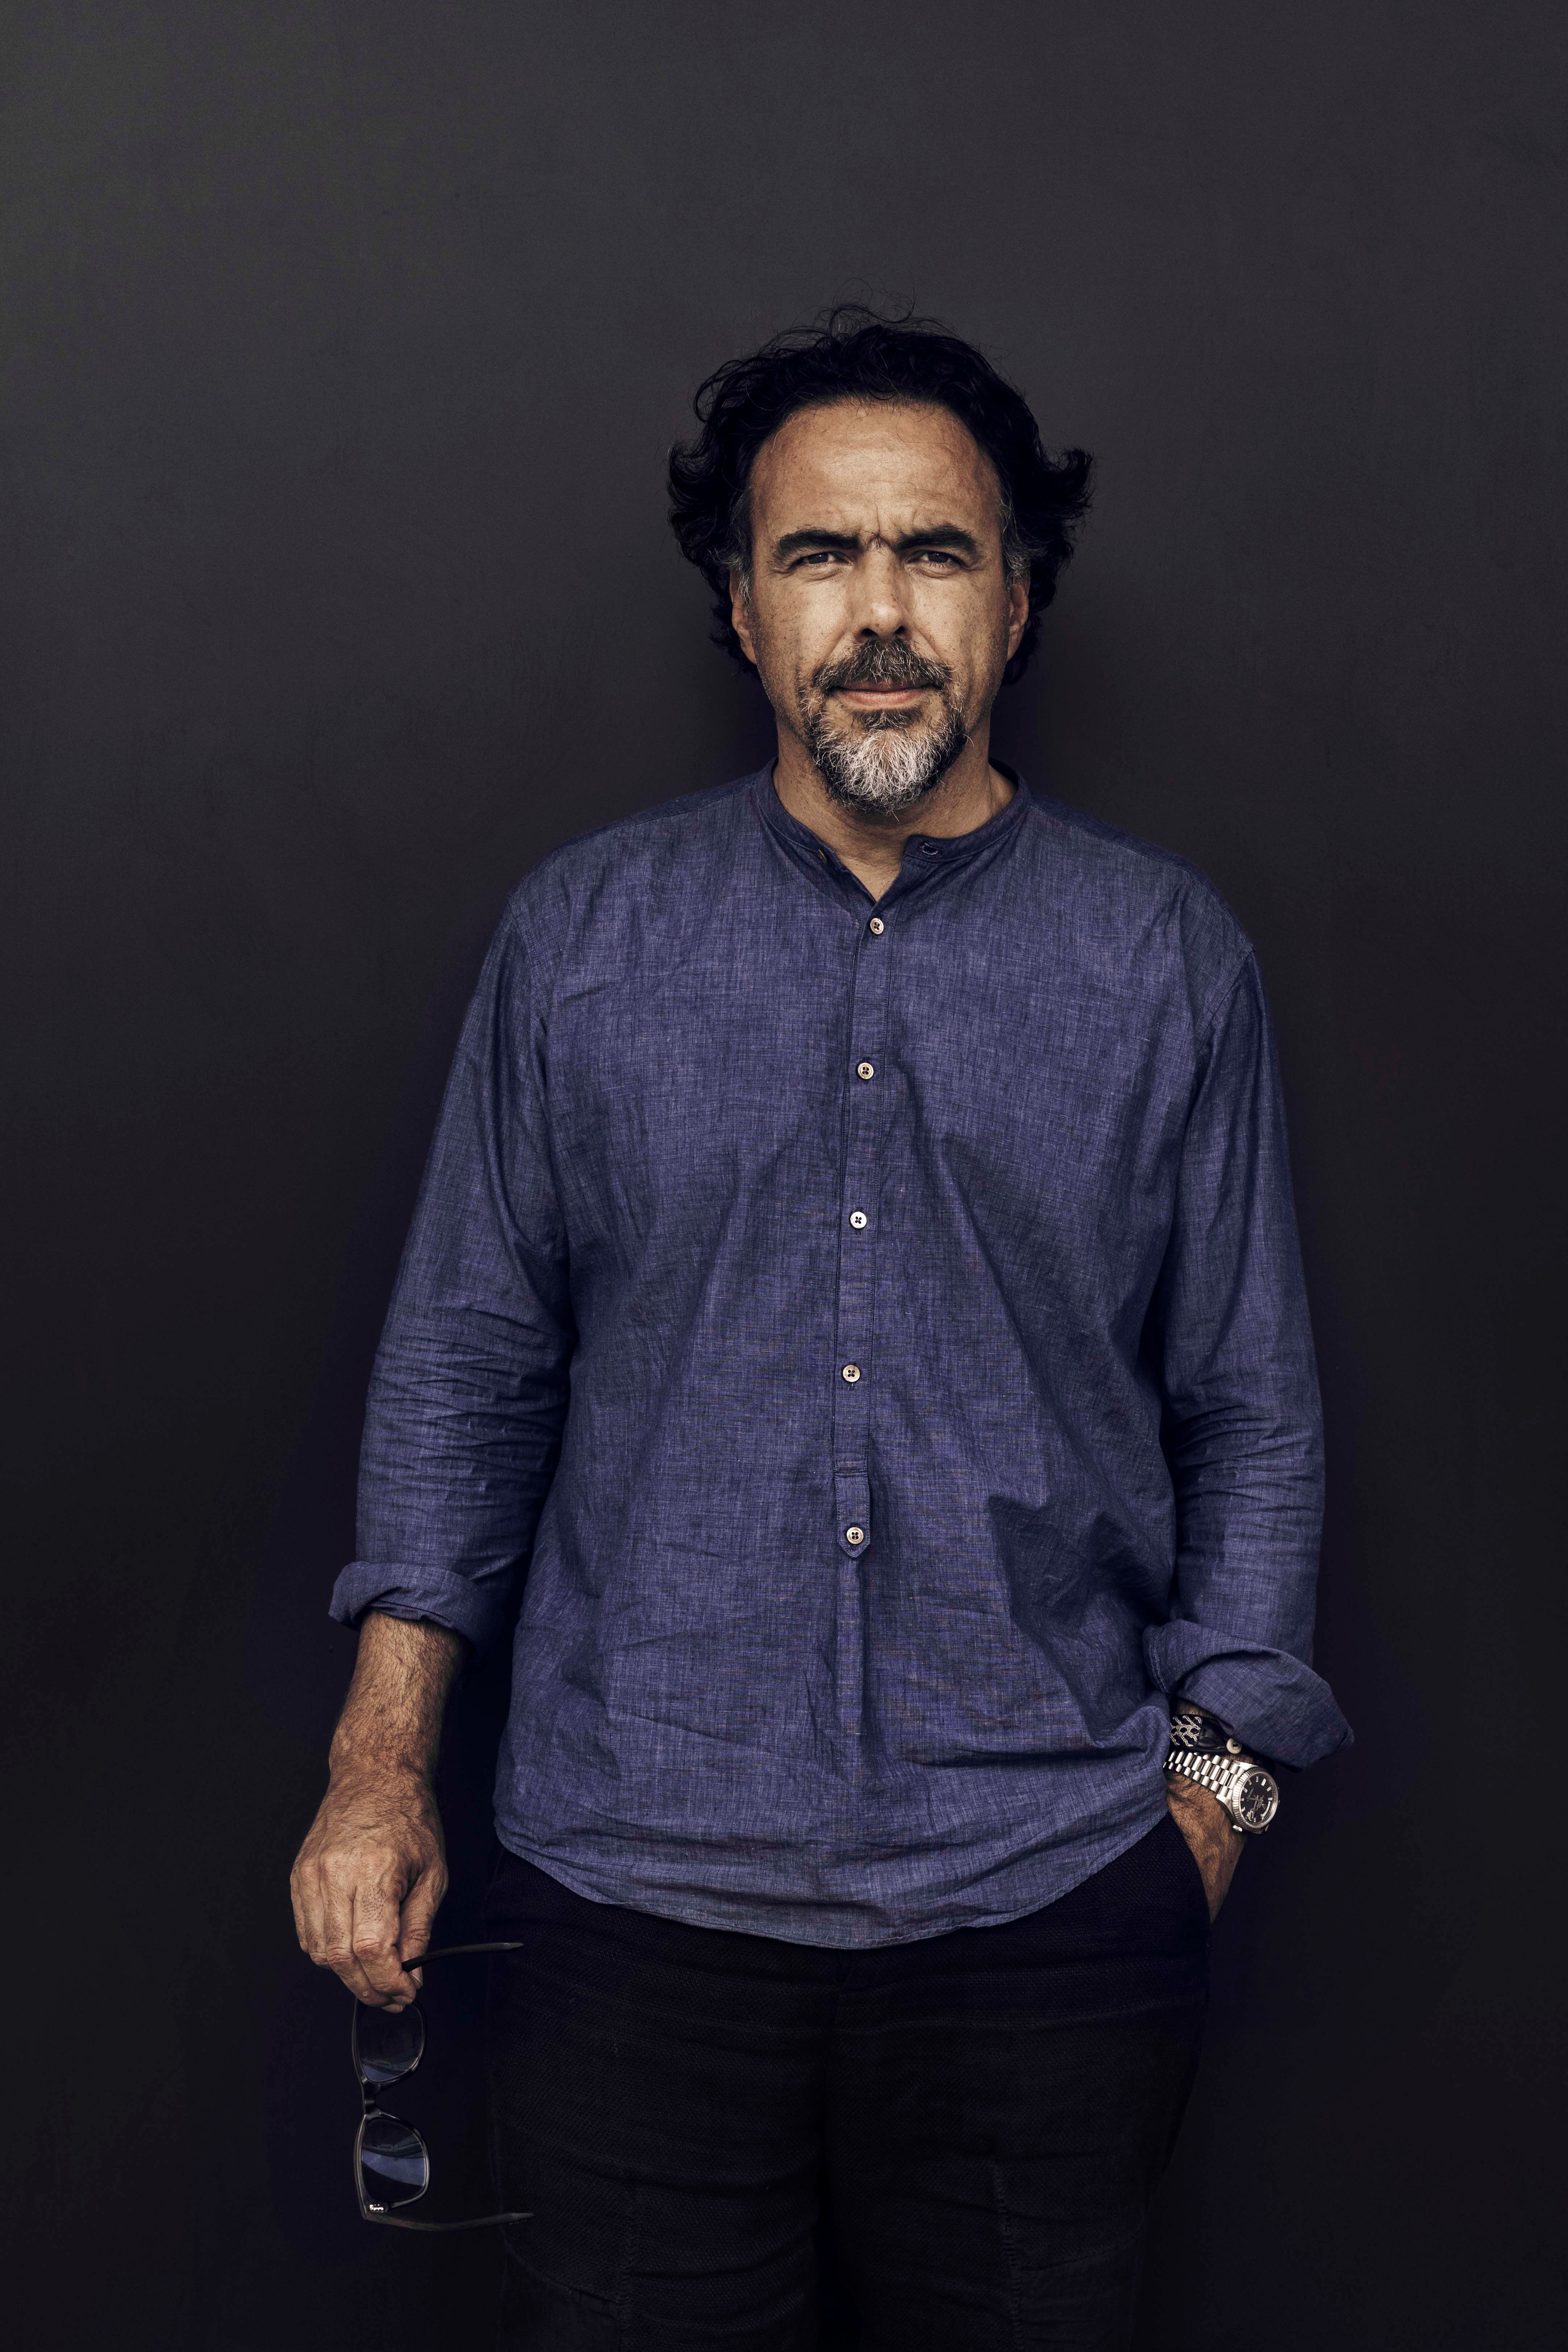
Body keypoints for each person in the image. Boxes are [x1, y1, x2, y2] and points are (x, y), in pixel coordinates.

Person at [291, 307, 1349, 2349]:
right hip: (633, 1903)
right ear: (741, 603)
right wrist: (378, 1771)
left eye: (935, 553)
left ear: (1014, 604)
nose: (879, 613)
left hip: (1051, 1905)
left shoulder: (1164, 961)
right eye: (819, 556)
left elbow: (1253, 1414)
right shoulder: (579, 943)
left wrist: (1205, 1813)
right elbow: (463, 1379)